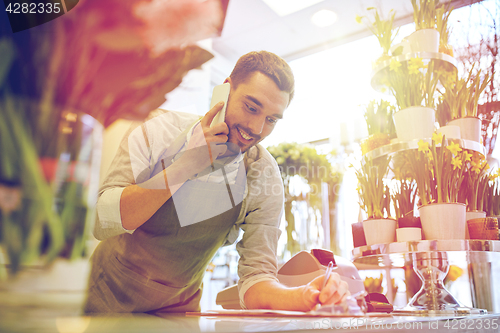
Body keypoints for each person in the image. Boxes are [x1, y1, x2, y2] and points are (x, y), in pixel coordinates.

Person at [84, 51, 349, 313]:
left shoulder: (262, 174)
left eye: (270, 120)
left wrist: (303, 295)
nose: (256, 129)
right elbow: (101, 221)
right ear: (225, 91)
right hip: (105, 296)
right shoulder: (155, 130)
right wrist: (186, 165)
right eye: (251, 107)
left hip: (178, 310)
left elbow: (256, 278)